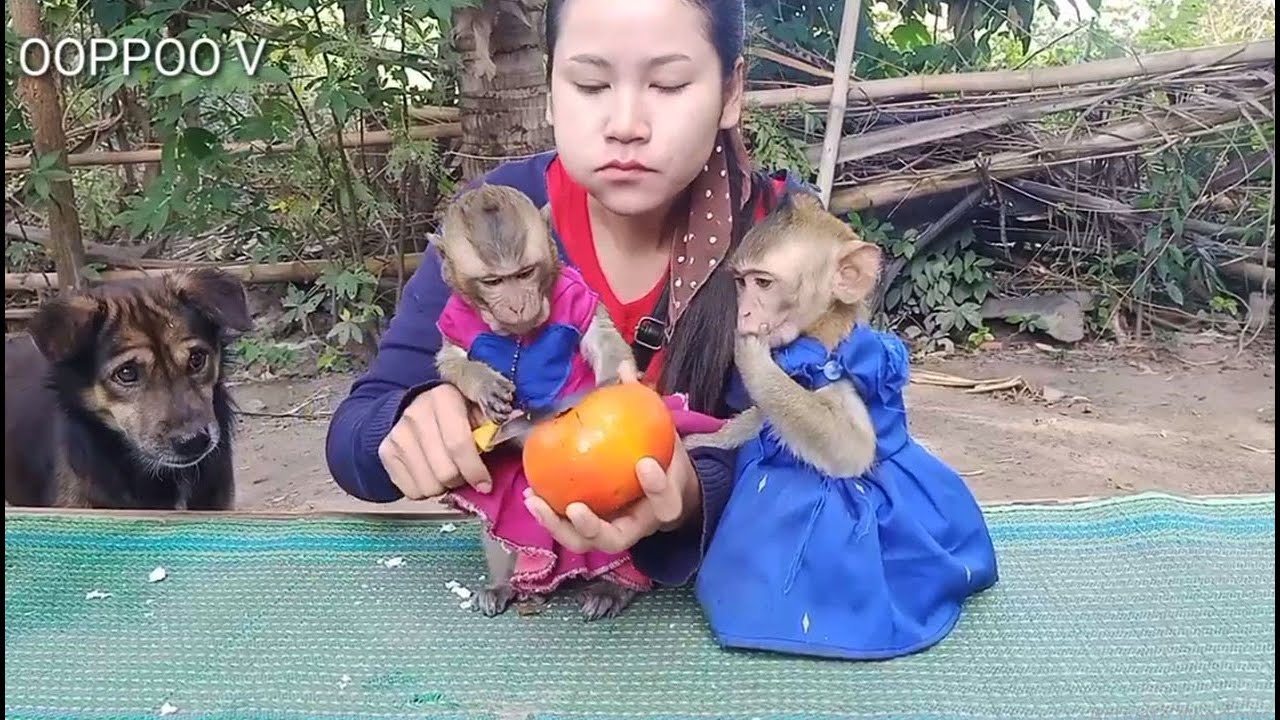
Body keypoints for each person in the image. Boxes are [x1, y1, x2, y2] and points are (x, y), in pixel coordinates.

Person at [324, 0, 808, 587]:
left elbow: (830, 446)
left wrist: (693, 494)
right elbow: (351, 440)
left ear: (731, 92)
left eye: (669, 83)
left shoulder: (784, 235)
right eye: (590, 83)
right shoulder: (496, 217)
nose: (626, 123)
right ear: (551, 91)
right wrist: (411, 420)